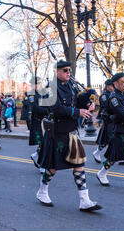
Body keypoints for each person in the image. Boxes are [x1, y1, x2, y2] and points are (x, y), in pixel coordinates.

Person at [36, 60, 102, 212]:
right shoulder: (50, 88)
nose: (68, 73)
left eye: (69, 70)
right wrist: (77, 112)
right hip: (57, 132)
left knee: (79, 165)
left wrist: (89, 102)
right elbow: (56, 108)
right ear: (57, 72)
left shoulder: (70, 86)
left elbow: (77, 100)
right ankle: (42, 191)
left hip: (71, 132)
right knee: (52, 168)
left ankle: (84, 200)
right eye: (65, 70)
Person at [27, 76, 49, 172]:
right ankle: (42, 164)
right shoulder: (31, 95)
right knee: (42, 142)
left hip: (45, 121)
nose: (37, 85)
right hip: (37, 121)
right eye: (35, 83)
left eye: (39, 83)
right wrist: (47, 111)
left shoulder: (43, 93)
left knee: (45, 142)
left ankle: (36, 155)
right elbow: (35, 107)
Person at [93, 79, 114, 163]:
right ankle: (97, 152)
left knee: (113, 138)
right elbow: (107, 106)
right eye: (111, 86)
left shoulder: (113, 94)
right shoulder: (104, 95)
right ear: (108, 86)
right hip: (107, 119)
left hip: (113, 119)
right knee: (106, 138)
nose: (113, 87)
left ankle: (118, 157)